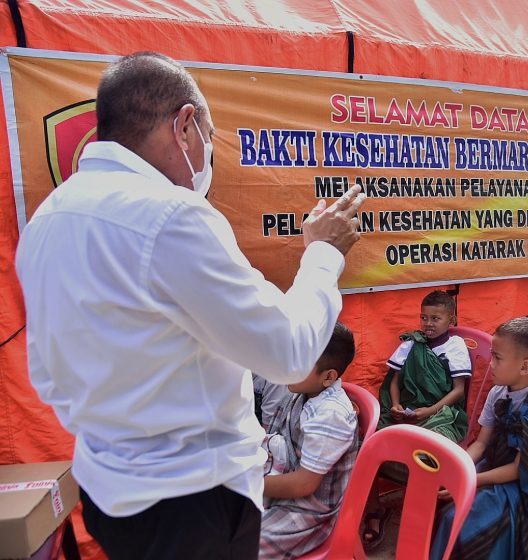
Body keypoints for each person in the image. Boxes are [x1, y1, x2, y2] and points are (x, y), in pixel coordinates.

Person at [14, 52, 365, 559]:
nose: (208, 156)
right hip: (189, 502)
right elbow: (290, 352)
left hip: (107, 489)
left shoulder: (49, 218)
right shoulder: (171, 216)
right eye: (209, 135)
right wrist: (324, 254)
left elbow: (47, 375)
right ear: (184, 125)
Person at [430, 317, 528, 560]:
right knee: (435, 500)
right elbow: (481, 444)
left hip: (523, 488)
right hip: (492, 467)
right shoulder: (497, 392)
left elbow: (518, 470)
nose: (490, 364)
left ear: (524, 367)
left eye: (497, 358)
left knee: (460, 520)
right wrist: (459, 470)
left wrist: (471, 481)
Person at [260, 322, 358, 558]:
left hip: (308, 512)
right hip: (281, 484)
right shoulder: (302, 392)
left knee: (231, 544)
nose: (287, 367)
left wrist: (240, 482)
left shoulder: (329, 415)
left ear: (328, 376)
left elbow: (304, 484)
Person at [377, 290, 472, 442]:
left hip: (442, 412)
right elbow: (394, 381)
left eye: (435, 318)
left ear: (451, 319)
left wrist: (430, 411)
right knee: (385, 439)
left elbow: (459, 390)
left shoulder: (455, 346)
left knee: (435, 442)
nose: (428, 323)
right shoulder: (411, 343)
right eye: (424, 318)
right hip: (409, 410)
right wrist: (395, 405)